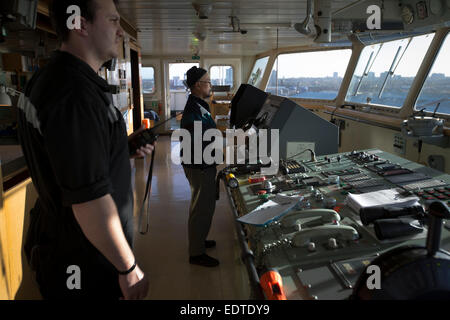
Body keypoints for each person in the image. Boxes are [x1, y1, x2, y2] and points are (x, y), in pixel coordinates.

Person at [17, 0, 152, 299]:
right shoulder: (73, 93)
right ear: (79, 22)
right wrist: (128, 268)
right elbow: (88, 201)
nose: (120, 32)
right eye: (113, 20)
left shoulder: (57, 78)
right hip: (85, 264)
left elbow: (69, 161)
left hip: (74, 248)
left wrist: (121, 149)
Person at [180, 67, 220, 267]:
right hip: (199, 165)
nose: (210, 85)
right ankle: (196, 253)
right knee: (201, 208)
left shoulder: (199, 105)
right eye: (207, 81)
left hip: (203, 162)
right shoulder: (193, 109)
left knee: (206, 206)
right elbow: (198, 139)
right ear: (197, 85)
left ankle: (200, 239)